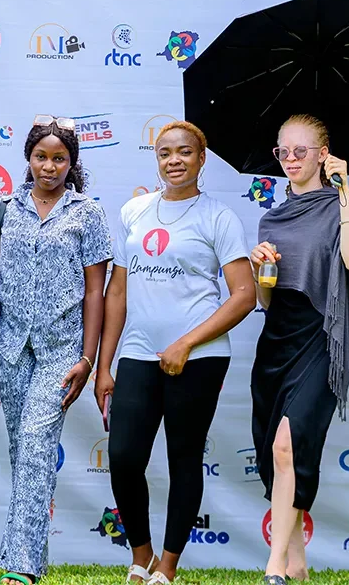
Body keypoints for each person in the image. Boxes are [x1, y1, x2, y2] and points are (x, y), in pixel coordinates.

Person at [95, 120, 256, 585]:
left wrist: (187, 342)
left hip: (199, 358)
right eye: (165, 153)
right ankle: (140, 557)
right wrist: (105, 364)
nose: (174, 160)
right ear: (156, 159)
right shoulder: (135, 211)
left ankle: (168, 565)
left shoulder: (218, 217)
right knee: (124, 456)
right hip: (139, 354)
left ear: (201, 159)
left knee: (184, 457)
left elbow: (243, 295)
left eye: (185, 152)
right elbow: (118, 292)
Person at [0, 116, 112, 585]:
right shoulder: (2, 208)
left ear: (72, 163)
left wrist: (88, 358)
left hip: (62, 349)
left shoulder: (88, 213)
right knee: (27, 451)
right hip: (9, 345)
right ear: (28, 159)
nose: (49, 166)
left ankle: (18, 567)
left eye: (59, 158)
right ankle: (32, 559)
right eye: (41, 157)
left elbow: (94, 292)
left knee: (39, 444)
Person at [249, 114, 349, 585]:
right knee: (276, 455)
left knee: (288, 444)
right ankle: (297, 560)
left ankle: (275, 566)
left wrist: (342, 190)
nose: (291, 160)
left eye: (301, 151)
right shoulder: (271, 216)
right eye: (283, 152)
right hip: (276, 341)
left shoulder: (346, 203)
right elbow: (265, 299)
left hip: (323, 338)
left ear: (324, 154)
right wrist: (263, 267)